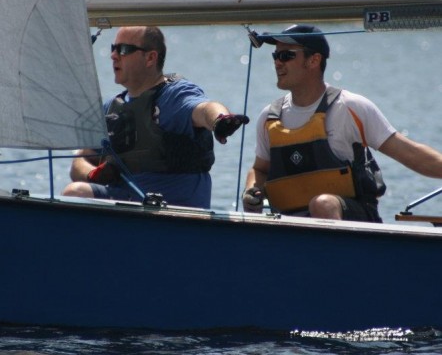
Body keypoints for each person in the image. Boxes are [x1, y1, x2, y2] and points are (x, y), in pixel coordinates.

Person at [242, 23, 442, 222]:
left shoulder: (350, 108)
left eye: (286, 56)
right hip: (291, 227)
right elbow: (260, 170)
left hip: (354, 223)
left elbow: (411, 154)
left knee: (322, 204)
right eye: (275, 56)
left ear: (314, 60)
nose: (277, 63)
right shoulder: (269, 117)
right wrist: (251, 189)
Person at [63, 26, 248, 208]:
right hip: (126, 204)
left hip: (174, 211)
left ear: (150, 58)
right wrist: (93, 174)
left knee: (76, 193)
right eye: (113, 48)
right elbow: (80, 161)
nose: (113, 55)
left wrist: (220, 119)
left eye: (124, 49)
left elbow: (204, 108)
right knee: (74, 193)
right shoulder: (110, 108)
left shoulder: (174, 96)